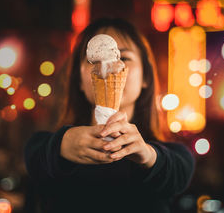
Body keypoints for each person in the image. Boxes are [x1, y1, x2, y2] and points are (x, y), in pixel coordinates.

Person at [24, 18, 195, 213]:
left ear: (145, 78)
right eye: (94, 60)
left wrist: (147, 155)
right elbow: (36, 156)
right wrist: (62, 146)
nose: (108, 66)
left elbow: (178, 170)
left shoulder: (167, 155)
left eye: (124, 57)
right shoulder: (51, 147)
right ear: (79, 79)